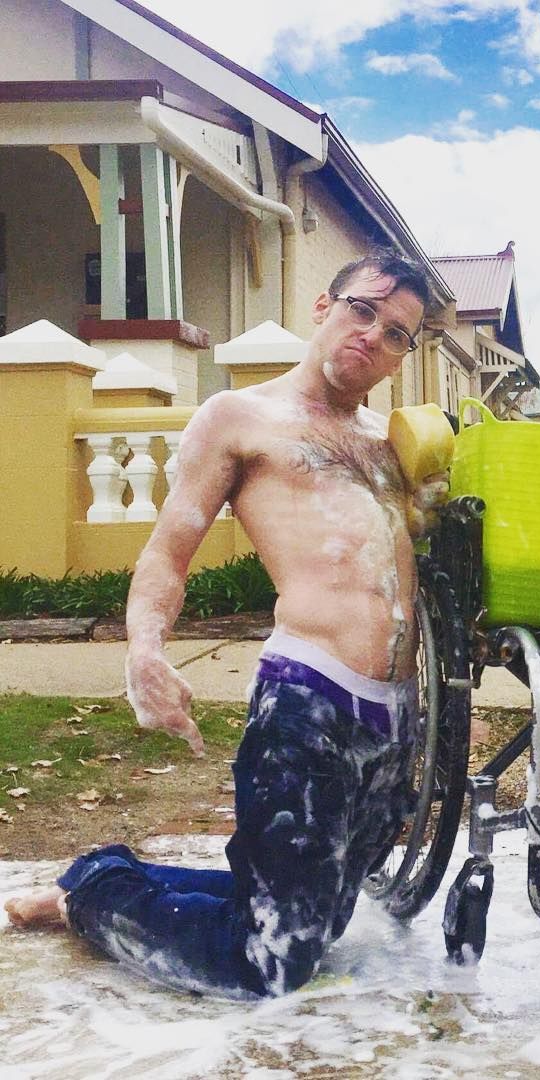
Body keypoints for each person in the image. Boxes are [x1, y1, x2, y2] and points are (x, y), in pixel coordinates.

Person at [5, 251, 449, 996]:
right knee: (269, 964)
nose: (374, 335)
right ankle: (92, 894)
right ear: (324, 306)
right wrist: (145, 650)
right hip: (308, 703)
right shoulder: (242, 418)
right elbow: (168, 551)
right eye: (363, 310)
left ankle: (115, 875)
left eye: (397, 333)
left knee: (315, 921)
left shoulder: (392, 442)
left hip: (395, 718)